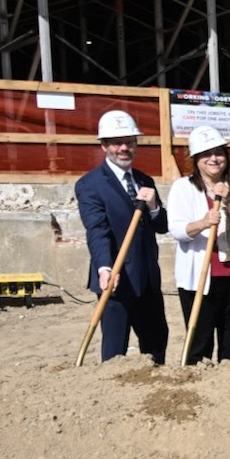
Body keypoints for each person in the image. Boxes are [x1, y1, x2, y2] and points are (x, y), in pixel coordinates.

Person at [75, 109, 169, 363]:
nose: (124, 148)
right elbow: (97, 230)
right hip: (116, 279)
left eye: (129, 142)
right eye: (117, 143)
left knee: (156, 342)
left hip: (147, 279)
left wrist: (154, 207)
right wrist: (105, 267)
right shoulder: (90, 185)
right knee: (116, 348)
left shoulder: (144, 180)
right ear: (104, 145)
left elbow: (162, 226)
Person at [167, 126, 230, 364]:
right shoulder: (183, 188)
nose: (214, 159)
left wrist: (229, 203)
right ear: (196, 160)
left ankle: (229, 382)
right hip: (200, 277)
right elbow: (177, 229)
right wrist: (203, 222)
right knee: (200, 341)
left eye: (219, 153)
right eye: (206, 154)